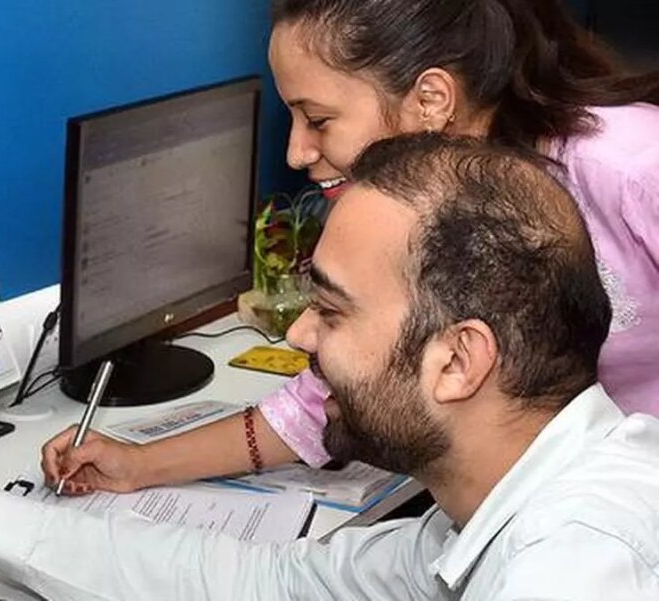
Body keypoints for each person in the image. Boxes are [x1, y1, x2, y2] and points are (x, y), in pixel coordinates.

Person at [0, 134, 659, 600]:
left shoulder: (578, 563)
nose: (302, 341)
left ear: (459, 358)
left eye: (332, 309)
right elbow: (260, 579)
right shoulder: (480, 514)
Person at [39, 0, 659, 496]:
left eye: (319, 119)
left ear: (431, 100)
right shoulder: (416, 209)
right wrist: (139, 465)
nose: (296, 153)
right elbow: (322, 399)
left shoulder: (633, 165)